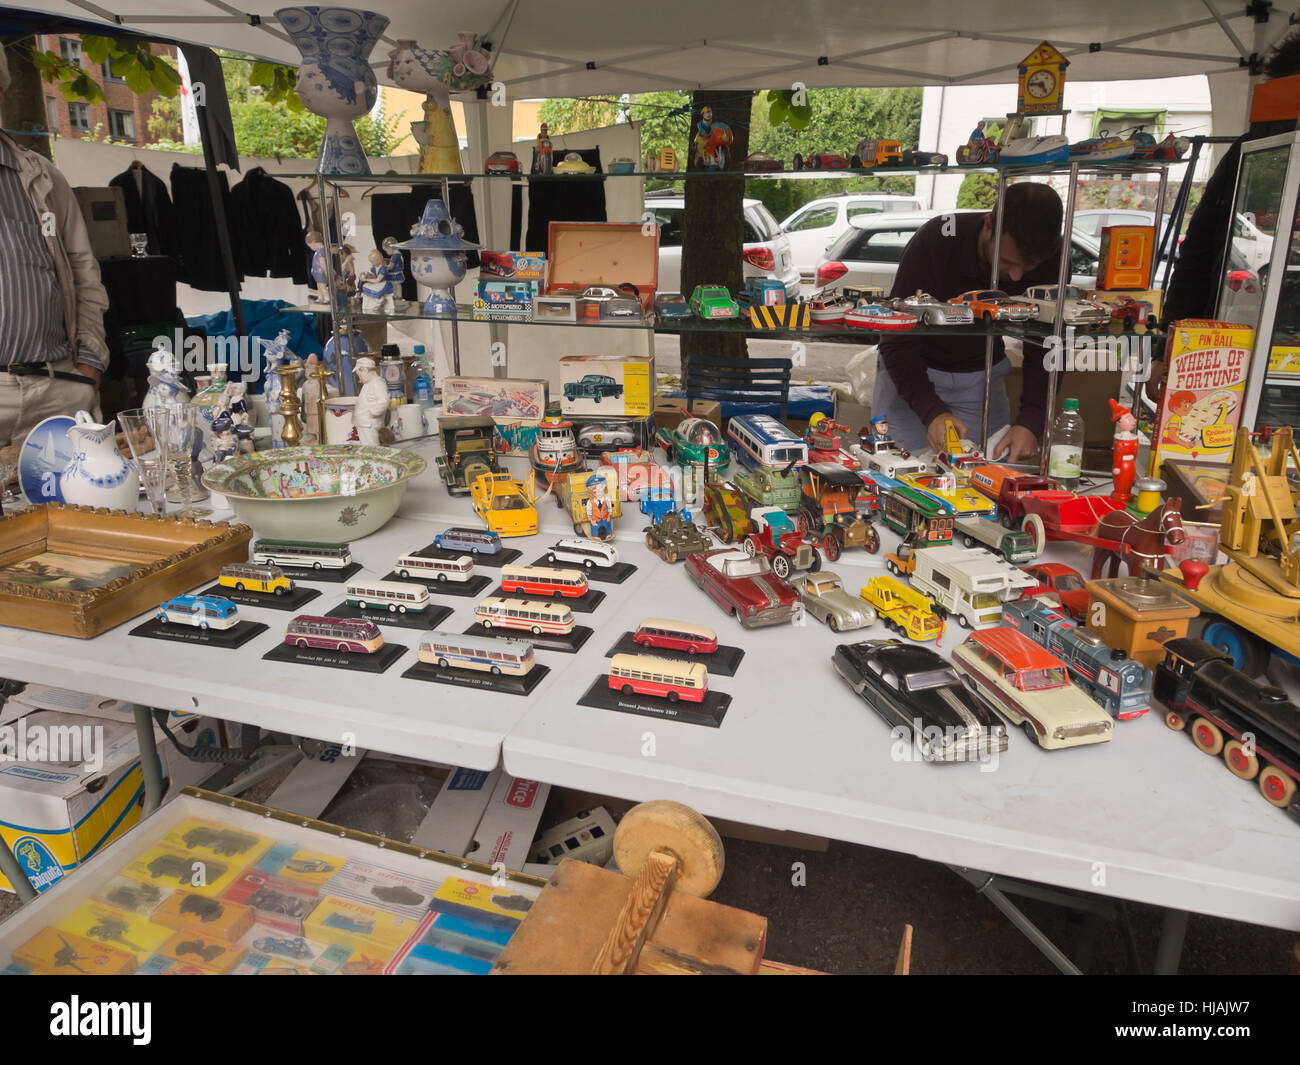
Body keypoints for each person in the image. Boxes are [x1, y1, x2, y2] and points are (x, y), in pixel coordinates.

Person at [875, 183, 1065, 461]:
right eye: (1008, 261)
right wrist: (931, 411)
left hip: (981, 378)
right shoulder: (937, 240)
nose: (1015, 277)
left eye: (1028, 267)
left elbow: (1050, 343)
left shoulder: (1053, 256)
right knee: (895, 474)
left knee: (980, 478)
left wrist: (1031, 421)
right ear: (988, 225)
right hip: (912, 375)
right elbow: (897, 337)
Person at [0, 46, 110, 448]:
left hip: (57, 387)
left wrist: (89, 363)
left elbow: (84, 269)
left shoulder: (41, 177)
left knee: (74, 510)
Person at [1162, 31, 1299, 327]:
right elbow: (1197, 251)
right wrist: (1174, 337)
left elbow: (1195, 252)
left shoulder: (1252, 146)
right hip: (1234, 333)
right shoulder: (1252, 149)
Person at [352, 356, 390, 446]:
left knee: (371, 446)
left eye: (360, 375)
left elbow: (384, 401)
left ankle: (374, 459)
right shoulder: (369, 383)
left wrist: (372, 412)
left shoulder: (377, 383)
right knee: (366, 445)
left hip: (369, 423)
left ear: (365, 370)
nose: (359, 378)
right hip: (364, 422)